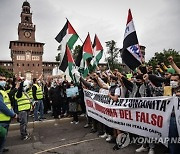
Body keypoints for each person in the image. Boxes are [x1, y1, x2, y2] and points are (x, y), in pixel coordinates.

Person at [0, 73, 17, 153]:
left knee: (3, 137)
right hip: (1, 120)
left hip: (5, 119)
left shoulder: (3, 90)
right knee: (1, 137)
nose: (3, 81)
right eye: (1, 80)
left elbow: (8, 104)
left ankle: (2, 148)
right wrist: (12, 114)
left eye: (4, 80)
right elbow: (2, 107)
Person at [168, 74, 180, 154]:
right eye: (171, 80)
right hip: (171, 117)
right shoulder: (167, 89)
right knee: (172, 139)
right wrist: (147, 81)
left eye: (175, 80)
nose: (173, 82)